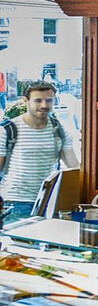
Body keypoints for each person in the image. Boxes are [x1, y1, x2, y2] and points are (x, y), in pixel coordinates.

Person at [0, 81, 78, 221]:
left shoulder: (60, 129)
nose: (44, 105)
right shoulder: (8, 130)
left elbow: (74, 167)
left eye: (49, 100)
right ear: (26, 101)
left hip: (48, 202)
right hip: (15, 202)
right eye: (38, 100)